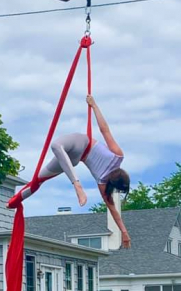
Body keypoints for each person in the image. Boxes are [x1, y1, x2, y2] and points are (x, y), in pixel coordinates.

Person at [8, 95, 131, 248]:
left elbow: (104, 129)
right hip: (72, 160)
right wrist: (124, 232)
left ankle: (77, 185)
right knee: (38, 179)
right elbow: (113, 211)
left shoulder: (118, 157)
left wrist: (94, 106)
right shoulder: (103, 183)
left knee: (55, 146)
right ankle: (13, 202)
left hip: (79, 145)